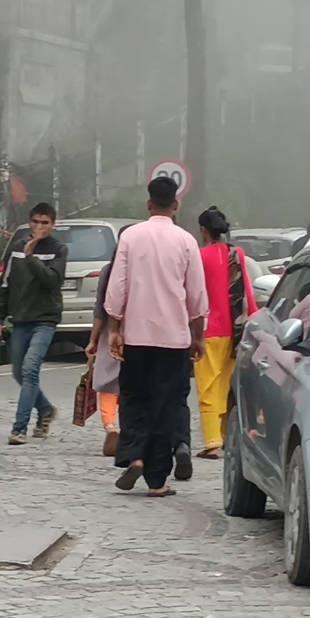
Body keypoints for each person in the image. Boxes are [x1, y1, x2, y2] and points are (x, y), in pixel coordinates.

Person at [104, 175, 206, 497]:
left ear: (148, 204)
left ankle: (135, 457)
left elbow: (117, 287)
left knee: (134, 398)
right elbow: (197, 297)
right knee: (165, 405)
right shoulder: (187, 241)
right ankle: (158, 481)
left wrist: (114, 329)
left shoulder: (131, 237)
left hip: (136, 335)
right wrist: (198, 337)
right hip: (174, 339)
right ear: (175, 205)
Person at [0, 202, 66, 445]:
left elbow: (52, 280)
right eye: (35, 222)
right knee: (18, 373)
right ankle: (45, 409)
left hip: (45, 319)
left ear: (53, 225)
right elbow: (4, 284)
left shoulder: (58, 249)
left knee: (30, 369)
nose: (39, 227)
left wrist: (31, 256)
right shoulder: (14, 248)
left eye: (45, 223)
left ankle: (19, 428)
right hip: (21, 319)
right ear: (29, 222)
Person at [193, 206, 258, 458]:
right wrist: (253, 316)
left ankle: (211, 441)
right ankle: (222, 436)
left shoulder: (200, 256)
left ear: (203, 230)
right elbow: (247, 291)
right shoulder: (237, 254)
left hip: (208, 330)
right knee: (224, 385)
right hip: (235, 329)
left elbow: (195, 295)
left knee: (207, 385)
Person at [85, 224, 137, 458]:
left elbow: (100, 308)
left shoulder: (109, 270)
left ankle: (110, 426)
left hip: (109, 331)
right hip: (137, 331)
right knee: (131, 382)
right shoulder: (141, 268)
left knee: (106, 381)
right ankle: (129, 428)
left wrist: (94, 339)